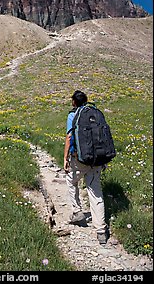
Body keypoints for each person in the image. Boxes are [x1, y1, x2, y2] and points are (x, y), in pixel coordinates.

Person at [63, 90, 109, 245]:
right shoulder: (95, 114)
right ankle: (101, 230)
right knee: (96, 193)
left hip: (79, 160)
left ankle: (77, 212)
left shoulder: (73, 115)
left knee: (71, 181)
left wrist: (65, 159)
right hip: (96, 160)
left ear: (74, 102)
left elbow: (69, 137)